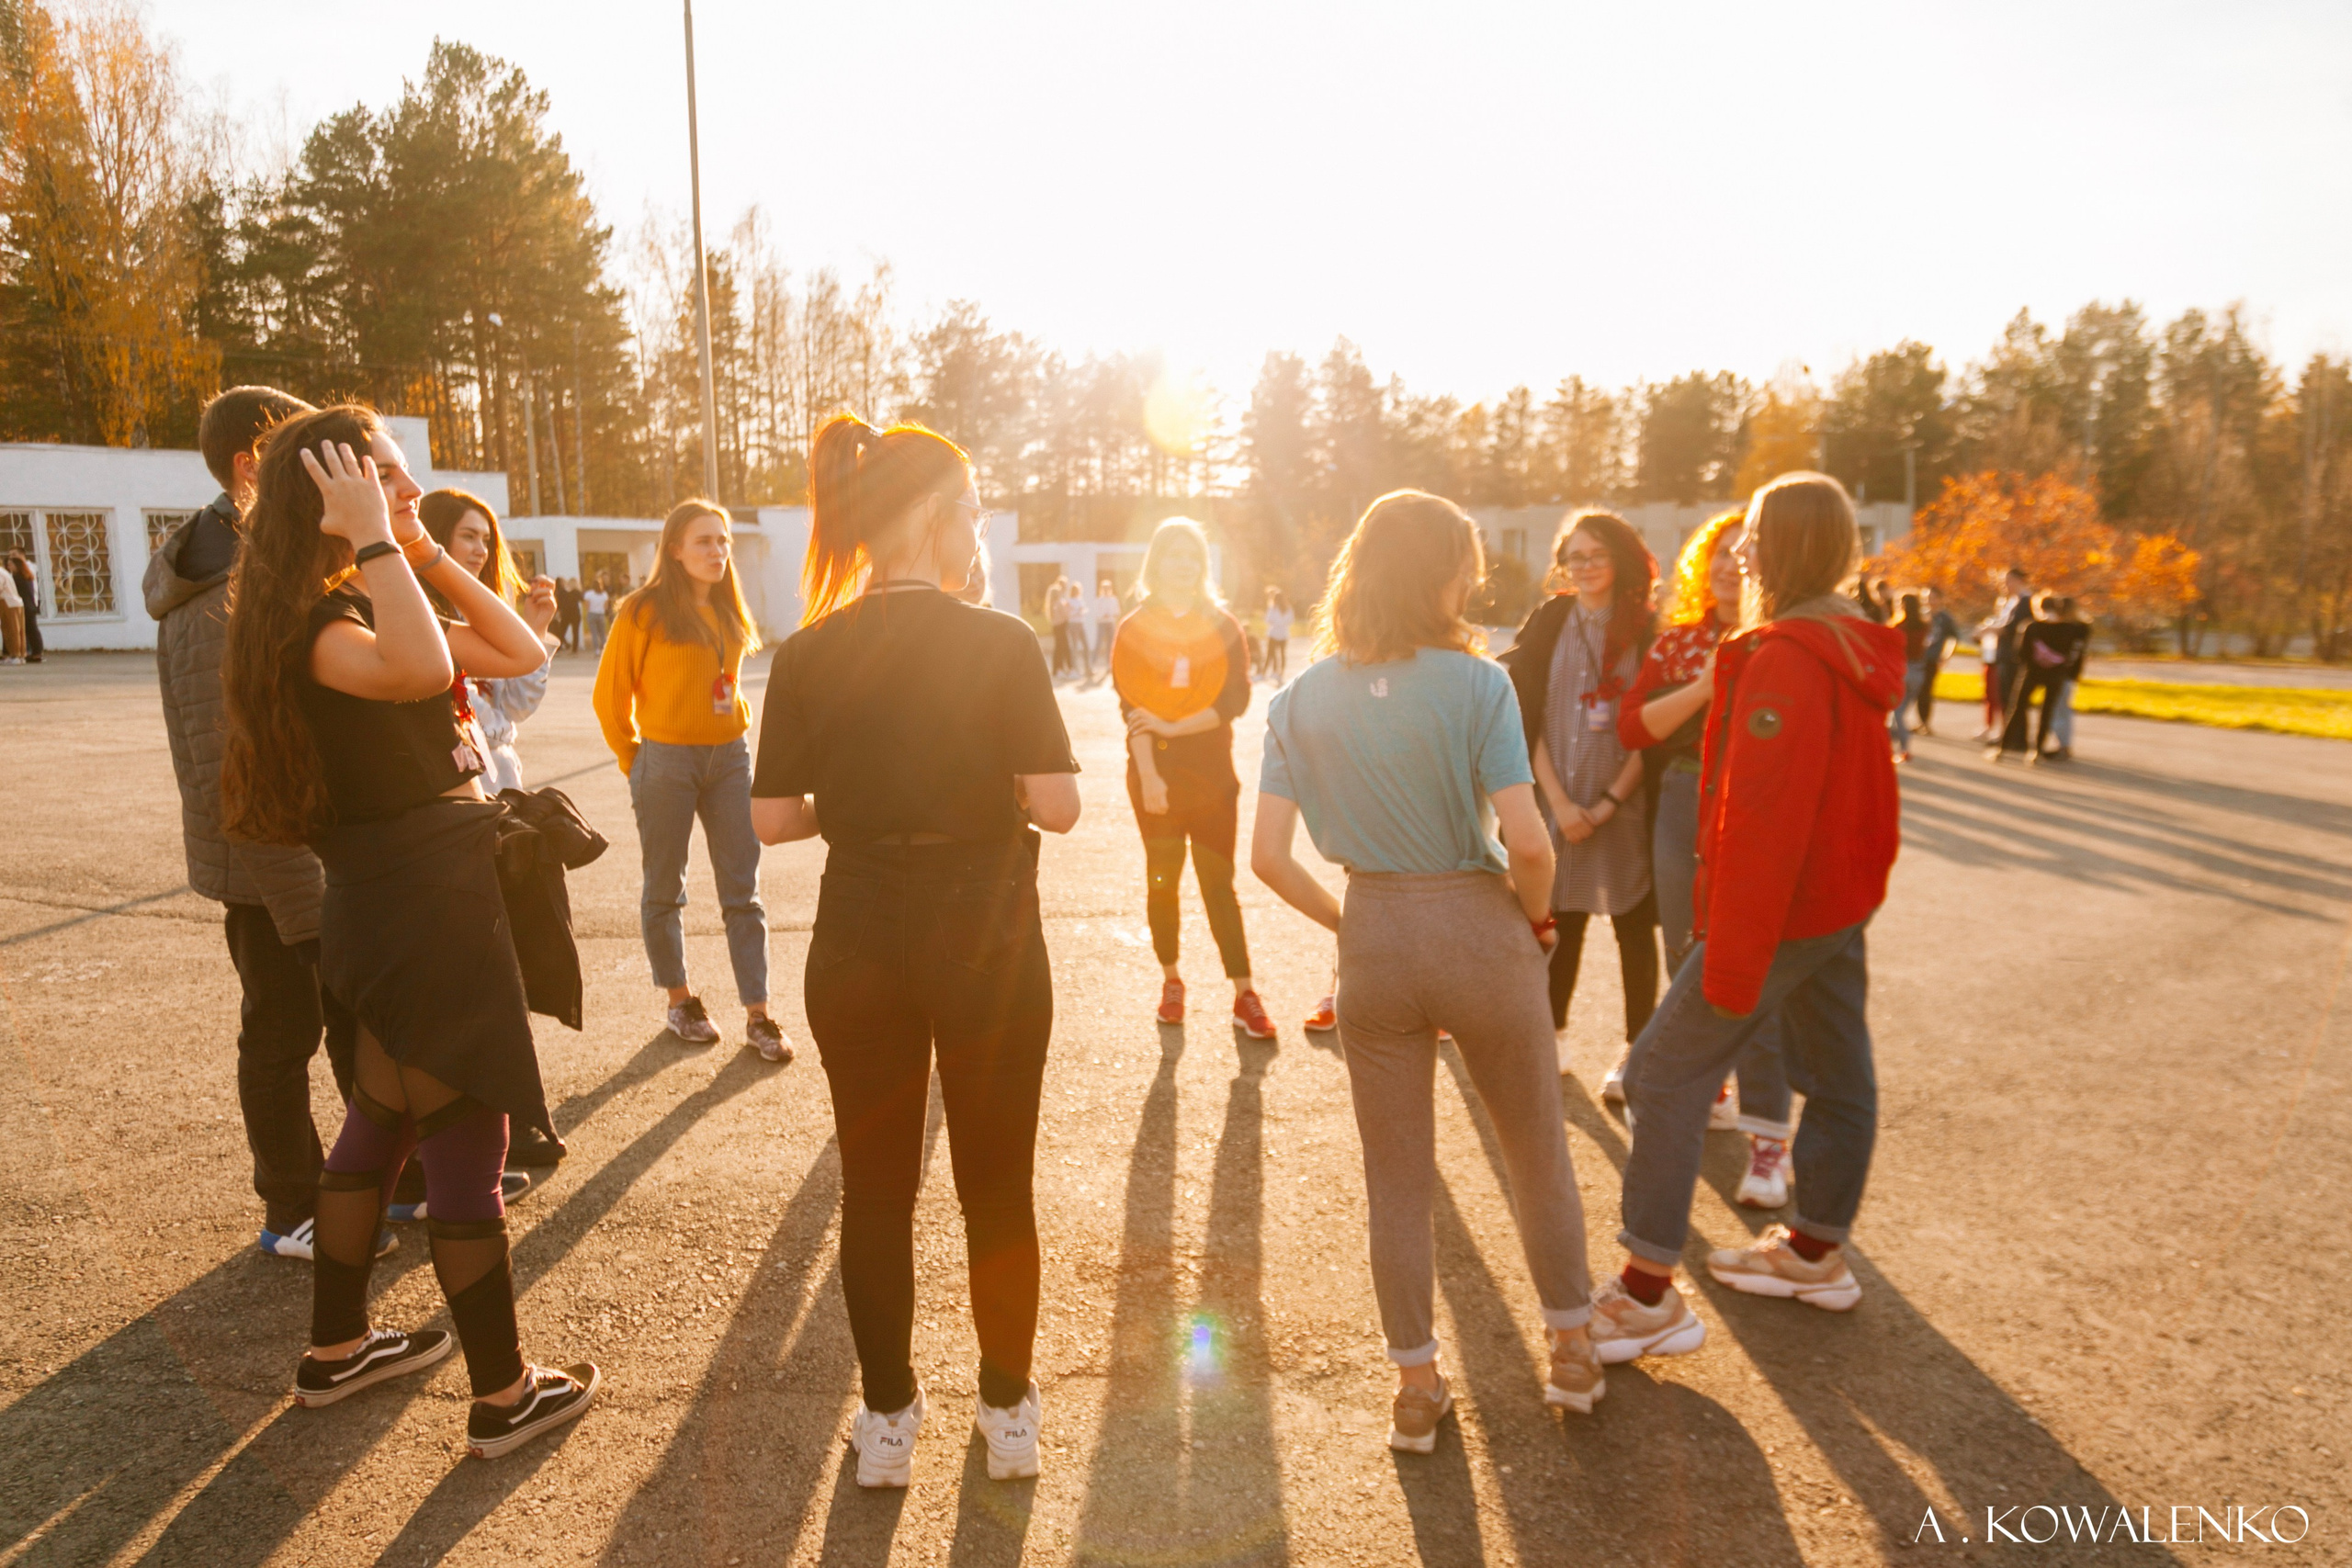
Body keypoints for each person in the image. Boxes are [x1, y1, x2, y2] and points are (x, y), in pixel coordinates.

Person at [220, 403, 596, 1458]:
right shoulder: (322, 622)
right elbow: (427, 673)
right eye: (382, 473)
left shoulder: (343, 600)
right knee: (466, 1149)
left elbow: (515, 646)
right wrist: (385, 539)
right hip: (418, 906)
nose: (402, 486)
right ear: (327, 493)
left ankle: (337, 1349)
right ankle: (505, 1392)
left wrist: (418, 544)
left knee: (381, 1124)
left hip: (402, 899)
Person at [751, 413, 1080, 1489]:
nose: (978, 530)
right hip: (981, 923)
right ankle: (1006, 1410)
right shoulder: (999, 642)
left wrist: (855, 803)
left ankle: (887, 1420)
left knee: (875, 1188)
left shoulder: (808, 648)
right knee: (997, 1184)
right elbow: (1060, 806)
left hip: (857, 928)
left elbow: (772, 820)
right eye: (973, 510)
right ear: (935, 516)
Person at [1250, 489, 1604, 1451]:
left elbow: (1268, 858)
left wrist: (1348, 923)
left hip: (1376, 936)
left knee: (1396, 1178)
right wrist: (1534, 924)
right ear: (1444, 573)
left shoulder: (1297, 699)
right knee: (1534, 1146)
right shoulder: (1475, 683)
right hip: (1478, 926)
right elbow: (1528, 844)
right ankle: (1571, 1350)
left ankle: (1414, 1385)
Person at [1596, 471, 1903, 1364]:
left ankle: (1646, 1293)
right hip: (1837, 903)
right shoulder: (1849, 642)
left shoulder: (1786, 658)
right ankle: (1813, 1250)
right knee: (1840, 1072)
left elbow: (1765, 822)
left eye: (1753, 535)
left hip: (1786, 910)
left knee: (1662, 1075)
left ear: (1787, 548)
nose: (1738, 549)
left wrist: (1727, 953)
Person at [144, 386, 372, 1260]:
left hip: (309, 853)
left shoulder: (265, 566)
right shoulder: (217, 596)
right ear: (254, 468)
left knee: (343, 1023)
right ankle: (294, 1207)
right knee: (283, 1032)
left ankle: (376, 1184)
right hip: (270, 862)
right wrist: (303, 899)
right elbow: (229, 766)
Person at [1618, 509, 1792, 1209]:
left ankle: (1770, 1144)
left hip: (1756, 805)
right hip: (1684, 799)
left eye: (1738, 552)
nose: (1726, 564)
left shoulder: (1783, 641)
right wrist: (1702, 689)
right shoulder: (1679, 645)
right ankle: (1710, 1088)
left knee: (1753, 968)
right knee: (1684, 956)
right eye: (1716, 553)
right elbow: (1635, 726)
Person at [593, 501, 787, 1062]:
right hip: (665, 762)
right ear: (674, 549)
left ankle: (759, 1013)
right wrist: (639, 761)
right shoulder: (642, 611)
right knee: (665, 888)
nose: (718, 551)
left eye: (723, 541)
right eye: (704, 541)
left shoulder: (729, 612)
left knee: (743, 891)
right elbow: (611, 699)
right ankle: (681, 1000)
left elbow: (727, 688)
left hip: (729, 759)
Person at [1501, 513, 1659, 1085]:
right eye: (1575, 555)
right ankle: (1553, 1037)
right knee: (1558, 922)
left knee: (1634, 932)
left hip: (1625, 805)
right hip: (1558, 804)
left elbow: (1653, 728)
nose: (1586, 566)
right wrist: (1560, 804)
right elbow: (1528, 712)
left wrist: (1610, 803)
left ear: (1622, 558)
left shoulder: (1647, 627)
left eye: (1597, 554)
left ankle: (1636, 1053)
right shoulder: (1551, 619)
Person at [1111, 519, 1272, 1038]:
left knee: (1218, 882)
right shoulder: (1135, 627)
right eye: (1173, 556)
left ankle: (1243, 992)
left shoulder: (1223, 625)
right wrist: (1151, 775)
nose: (1183, 564)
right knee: (1163, 881)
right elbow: (1131, 707)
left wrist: (1175, 725)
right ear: (1156, 563)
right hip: (1155, 775)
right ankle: (1172, 980)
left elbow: (1235, 701)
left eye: (1192, 556)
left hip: (1211, 776)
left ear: (1202, 565)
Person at [420, 491, 559, 795]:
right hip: (454, 786)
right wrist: (504, 733)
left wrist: (536, 629)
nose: (481, 551)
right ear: (436, 538)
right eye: (469, 536)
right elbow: (484, 726)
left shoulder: (485, 617)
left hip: (502, 780)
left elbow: (516, 705)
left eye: (486, 540)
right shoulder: (422, 616)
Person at [2001, 592, 2090, 762]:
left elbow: (2020, 653)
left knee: (2018, 708)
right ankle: (2037, 750)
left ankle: (2003, 746)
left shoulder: (2031, 627)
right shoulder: (2071, 629)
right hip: (2056, 675)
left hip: (2031, 673)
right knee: (2047, 712)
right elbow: (2073, 653)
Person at [1975, 567, 2031, 742]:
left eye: (2008, 581)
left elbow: (2012, 627)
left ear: (2018, 581)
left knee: (2012, 697)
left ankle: (2015, 736)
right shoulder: (2012, 601)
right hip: (2004, 655)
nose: (2005, 586)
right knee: (2004, 696)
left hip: (2014, 656)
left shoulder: (2025, 601)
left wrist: (1991, 629)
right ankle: (2009, 733)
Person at [1888, 591, 1930, 762]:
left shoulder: (1899, 627)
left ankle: (1904, 748)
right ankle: (1892, 745)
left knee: (1897, 713)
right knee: (1900, 713)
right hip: (1918, 671)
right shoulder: (1924, 626)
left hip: (1903, 669)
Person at [2046, 596, 2089, 760]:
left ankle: (2063, 745)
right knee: (2061, 707)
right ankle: (2062, 744)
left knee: (2060, 708)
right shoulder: (2082, 628)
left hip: (2063, 672)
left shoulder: (2069, 629)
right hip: (2070, 672)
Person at [1916, 586, 1959, 736]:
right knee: (1914, 689)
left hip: (1932, 658)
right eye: (1927, 598)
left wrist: (1946, 656)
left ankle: (1924, 723)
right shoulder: (1919, 615)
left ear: (1940, 600)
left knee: (1925, 690)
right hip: (1917, 658)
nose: (1929, 601)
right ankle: (1915, 721)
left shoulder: (1945, 618)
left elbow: (1953, 639)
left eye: (1933, 598)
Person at [6, 549, 42, 662]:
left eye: (11, 565)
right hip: (30, 606)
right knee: (32, 630)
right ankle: (36, 652)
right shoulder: (27, 576)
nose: (9, 567)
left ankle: (34, 653)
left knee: (28, 630)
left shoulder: (17, 578)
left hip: (24, 607)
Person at [1261, 587, 1294, 682]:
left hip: (1274, 633)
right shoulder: (1288, 608)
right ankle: (1280, 672)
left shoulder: (1273, 608)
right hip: (1283, 634)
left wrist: (1276, 623)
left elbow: (1268, 620)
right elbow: (1291, 620)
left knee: (1270, 654)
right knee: (1282, 654)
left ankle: (1264, 672)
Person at [1091, 576, 1119, 668]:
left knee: (1110, 644)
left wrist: (1111, 615)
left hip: (1111, 623)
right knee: (1099, 643)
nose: (1106, 590)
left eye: (1108, 588)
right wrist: (1103, 615)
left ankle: (1109, 664)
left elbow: (1117, 612)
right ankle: (1093, 663)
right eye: (1105, 588)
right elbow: (1095, 612)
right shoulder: (1099, 600)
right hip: (1102, 623)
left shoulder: (1114, 599)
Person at [581, 575, 611, 653]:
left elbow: (587, 605)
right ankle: (605, 648)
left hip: (592, 613)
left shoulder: (589, 594)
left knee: (594, 633)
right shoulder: (604, 594)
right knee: (602, 632)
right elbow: (606, 606)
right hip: (601, 614)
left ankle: (597, 649)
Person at [0, 555, 21, 662]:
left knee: (12, 630)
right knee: (10, 629)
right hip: (11, 602)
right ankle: (15, 655)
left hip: (9, 603)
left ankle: (16, 655)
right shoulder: (4, 572)